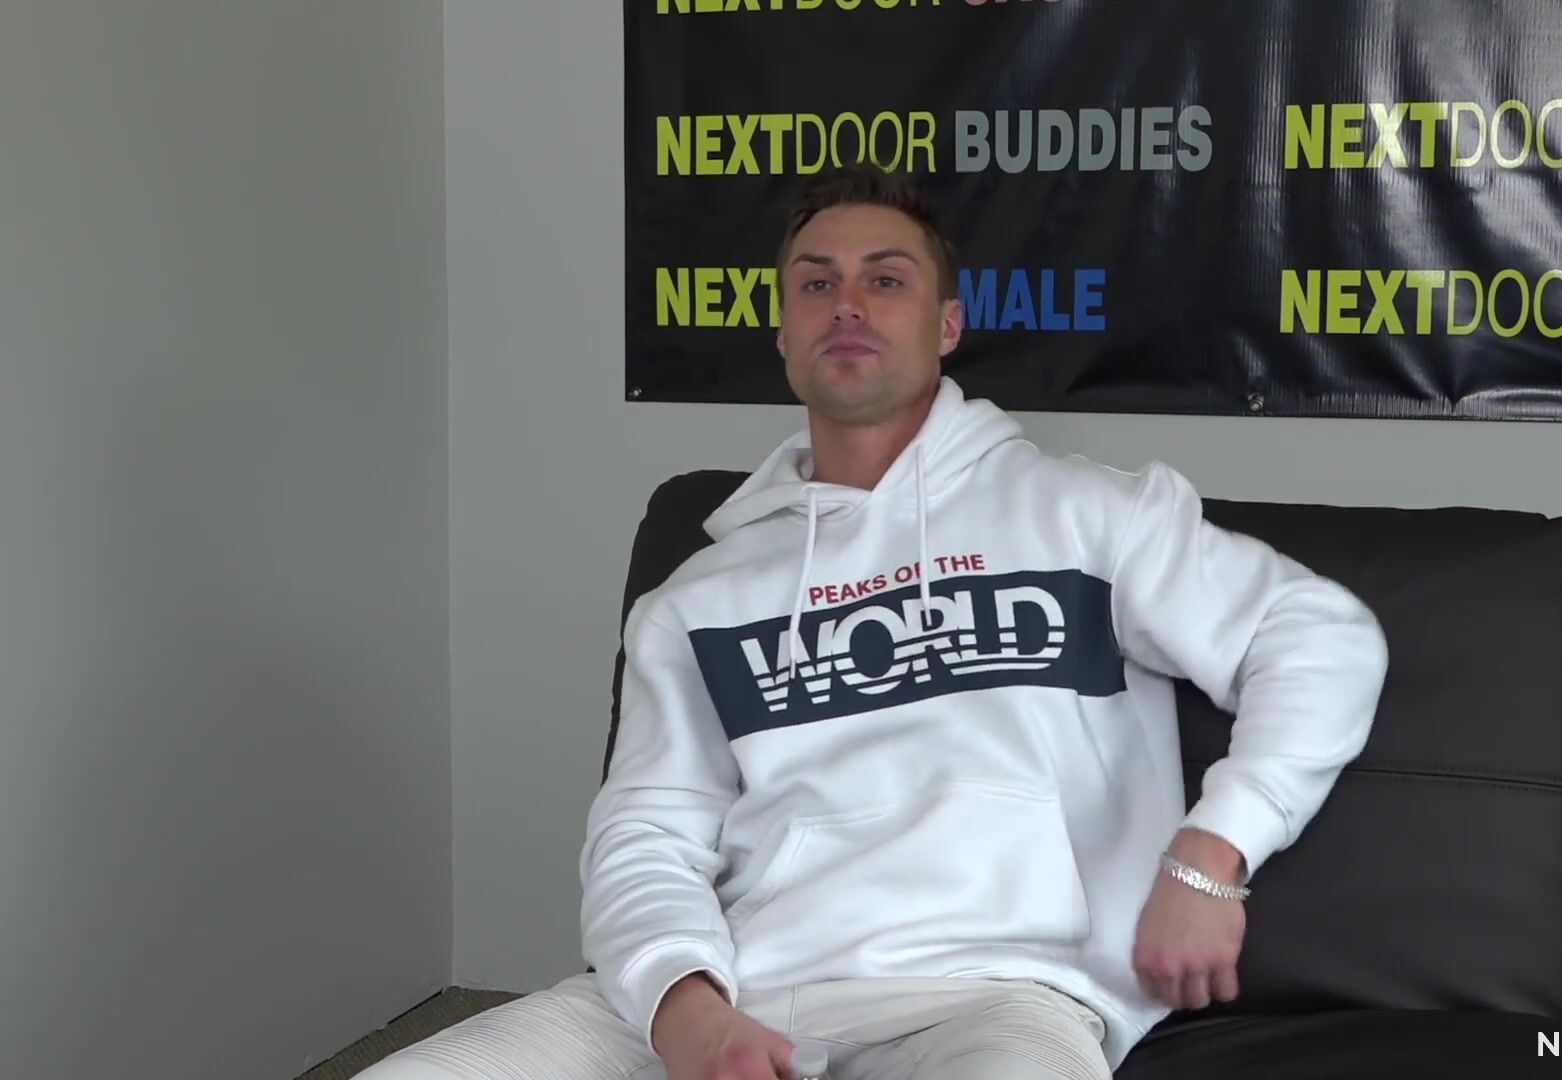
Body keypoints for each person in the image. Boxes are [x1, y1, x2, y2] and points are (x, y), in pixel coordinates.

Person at [360, 164, 1388, 1080]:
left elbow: (1317, 640)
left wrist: (1211, 853)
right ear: (782, 332)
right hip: (733, 989)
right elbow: (643, 837)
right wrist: (686, 1012)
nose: (846, 304)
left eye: (886, 280)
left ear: (947, 325)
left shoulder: (1084, 518)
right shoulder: (695, 601)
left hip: (993, 997)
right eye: (816, 284)